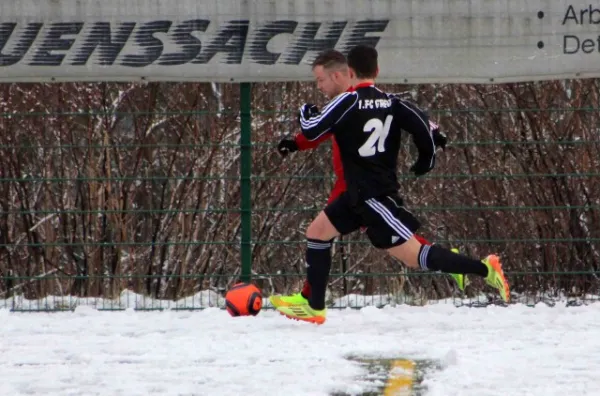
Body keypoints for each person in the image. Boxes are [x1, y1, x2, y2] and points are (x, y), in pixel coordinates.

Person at [275, 45, 510, 324]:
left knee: (415, 256)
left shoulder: (346, 102)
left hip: (374, 197)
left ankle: (485, 269)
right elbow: (424, 125)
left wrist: (304, 112)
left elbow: (313, 127)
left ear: (348, 72)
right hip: (356, 195)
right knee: (317, 232)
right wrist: (427, 158)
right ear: (377, 71)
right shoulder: (391, 102)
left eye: (320, 80)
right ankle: (313, 305)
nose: (319, 85)